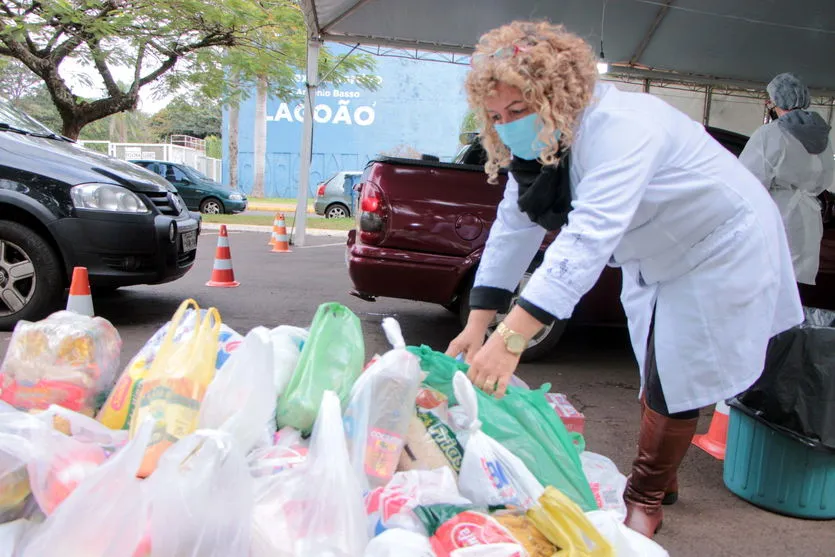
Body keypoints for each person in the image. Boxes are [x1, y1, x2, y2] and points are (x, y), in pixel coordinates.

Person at [445, 20, 803, 538]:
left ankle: (646, 495)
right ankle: (666, 468)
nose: (508, 126)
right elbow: (512, 229)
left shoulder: (622, 127)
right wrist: (477, 324)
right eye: (497, 117)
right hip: (656, 253)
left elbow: (586, 239)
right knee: (657, 362)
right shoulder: (542, 149)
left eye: (519, 110)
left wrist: (511, 336)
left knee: (676, 374)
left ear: (555, 94)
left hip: (718, 245)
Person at [739, 72, 834, 285]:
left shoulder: (770, 133)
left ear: (776, 102)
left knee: (769, 278)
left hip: (779, 212)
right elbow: (826, 175)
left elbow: (748, 180)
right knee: (799, 282)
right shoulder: (823, 134)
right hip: (809, 214)